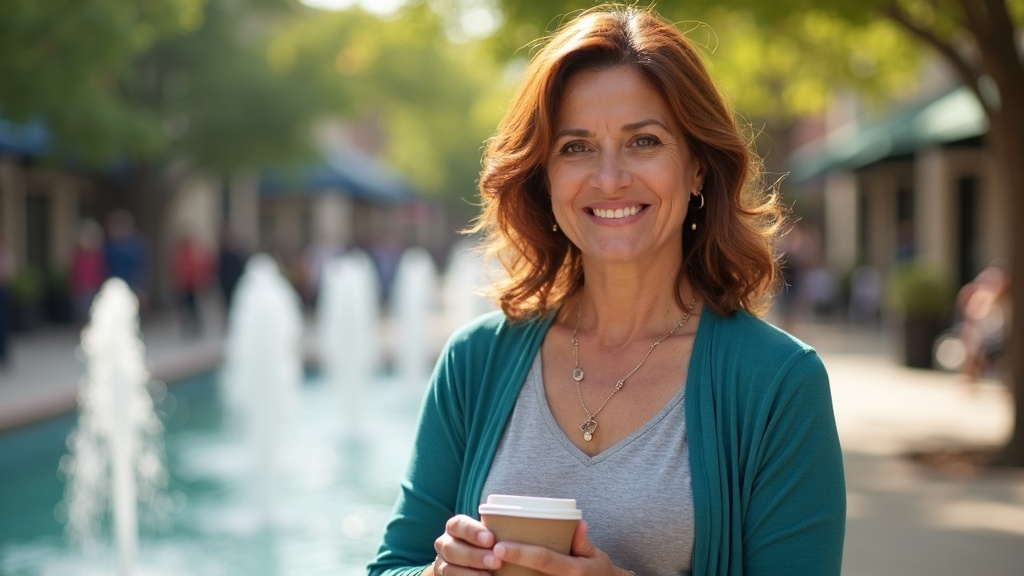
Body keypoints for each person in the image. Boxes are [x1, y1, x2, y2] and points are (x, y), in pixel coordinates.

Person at [369, 6, 845, 576]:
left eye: (643, 141)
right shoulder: (474, 361)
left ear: (696, 168)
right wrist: (439, 574)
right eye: (576, 147)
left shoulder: (779, 384)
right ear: (543, 176)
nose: (610, 178)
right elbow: (390, 567)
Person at [69, 218, 107, 326]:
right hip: (81, 288)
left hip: (96, 286)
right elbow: (74, 272)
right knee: (83, 312)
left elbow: (103, 270)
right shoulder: (77, 254)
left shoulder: (99, 254)